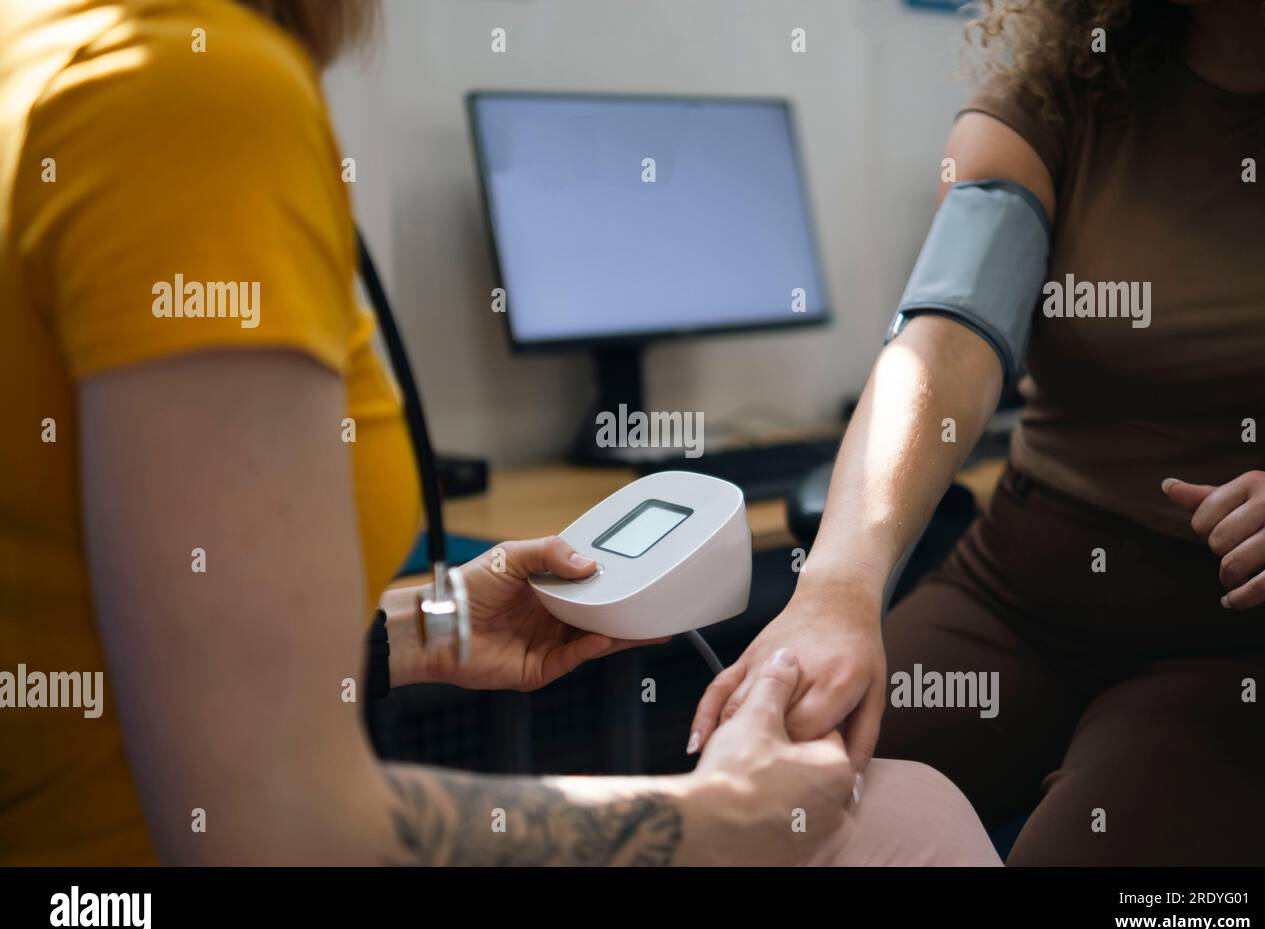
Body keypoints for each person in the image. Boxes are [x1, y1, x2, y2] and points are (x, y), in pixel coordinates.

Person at [0, 0, 1000, 866]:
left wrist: (427, 628)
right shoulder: (193, 93)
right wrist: (714, 815)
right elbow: (287, 831)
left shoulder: (49, 49)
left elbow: (124, 624)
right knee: (908, 815)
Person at [690, 0, 1265, 865]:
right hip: (1023, 594)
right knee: (757, 811)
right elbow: (947, 341)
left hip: (1249, 643)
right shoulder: (1061, 94)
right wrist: (836, 591)